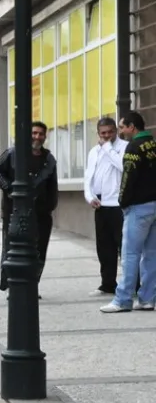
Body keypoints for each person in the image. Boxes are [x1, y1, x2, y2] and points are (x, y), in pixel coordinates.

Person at [0, 121, 58, 297]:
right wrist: (10, 189)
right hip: (15, 212)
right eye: (34, 133)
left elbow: (53, 186)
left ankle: (32, 286)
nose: (37, 137)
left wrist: (51, 206)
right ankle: (13, 286)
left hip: (41, 214)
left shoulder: (49, 159)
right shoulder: (13, 154)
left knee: (39, 250)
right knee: (12, 249)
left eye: (41, 134)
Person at [100, 111, 156, 313]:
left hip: (138, 207)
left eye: (122, 127)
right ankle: (147, 298)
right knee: (151, 254)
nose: (121, 131)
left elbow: (128, 177)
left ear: (132, 127)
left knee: (130, 254)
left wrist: (122, 201)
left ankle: (122, 299)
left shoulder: (133, 147)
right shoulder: (153, 144)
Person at [83, 117, 128, 297]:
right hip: (100, 204)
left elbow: (122, 167)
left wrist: (108, 148)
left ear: (116, 131)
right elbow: (89, 176)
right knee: (104, 247)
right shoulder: (94, 151)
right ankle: (108, 283)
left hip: (118, 204)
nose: (107, 135)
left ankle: (132, 284)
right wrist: (89, 196)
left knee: (123, 247)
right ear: (98, 133)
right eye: (103, 133)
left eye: (110, 132)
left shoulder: (124, 147)